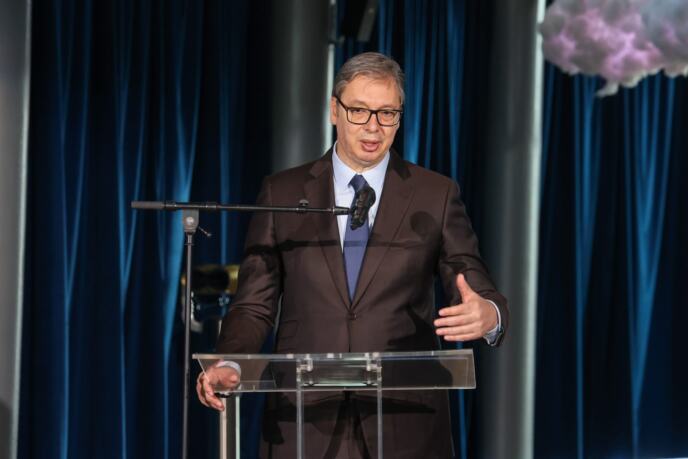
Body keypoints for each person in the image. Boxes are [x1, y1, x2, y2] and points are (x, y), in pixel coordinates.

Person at [197, 52, 508, 458]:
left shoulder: (435, 194)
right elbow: (254, 304)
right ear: (334, 110)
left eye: (387, 113)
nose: (373, 127)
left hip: (404, 423)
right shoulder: (283, 193)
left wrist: (489, 313)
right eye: (359, 111)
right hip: (304, 421)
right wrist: (231, 362)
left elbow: (468, 273)